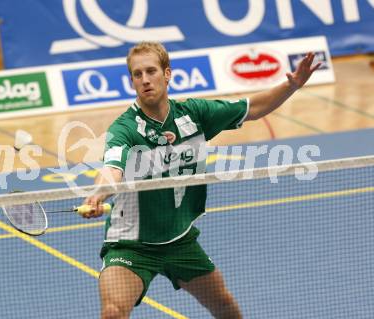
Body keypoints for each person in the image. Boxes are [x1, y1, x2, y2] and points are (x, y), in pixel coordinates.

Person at [83, 41, 320, 319]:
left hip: (180, 241)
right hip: (131, 246)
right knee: (113, 312)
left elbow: (252, 107)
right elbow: (112, 169)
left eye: (151, 71)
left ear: (167, 74)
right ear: (132, 80)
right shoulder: (124, 129)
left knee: (225, 307)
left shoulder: (194, 116)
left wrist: (292, 86)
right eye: (137, 74)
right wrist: (98, 194)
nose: (145, 80)